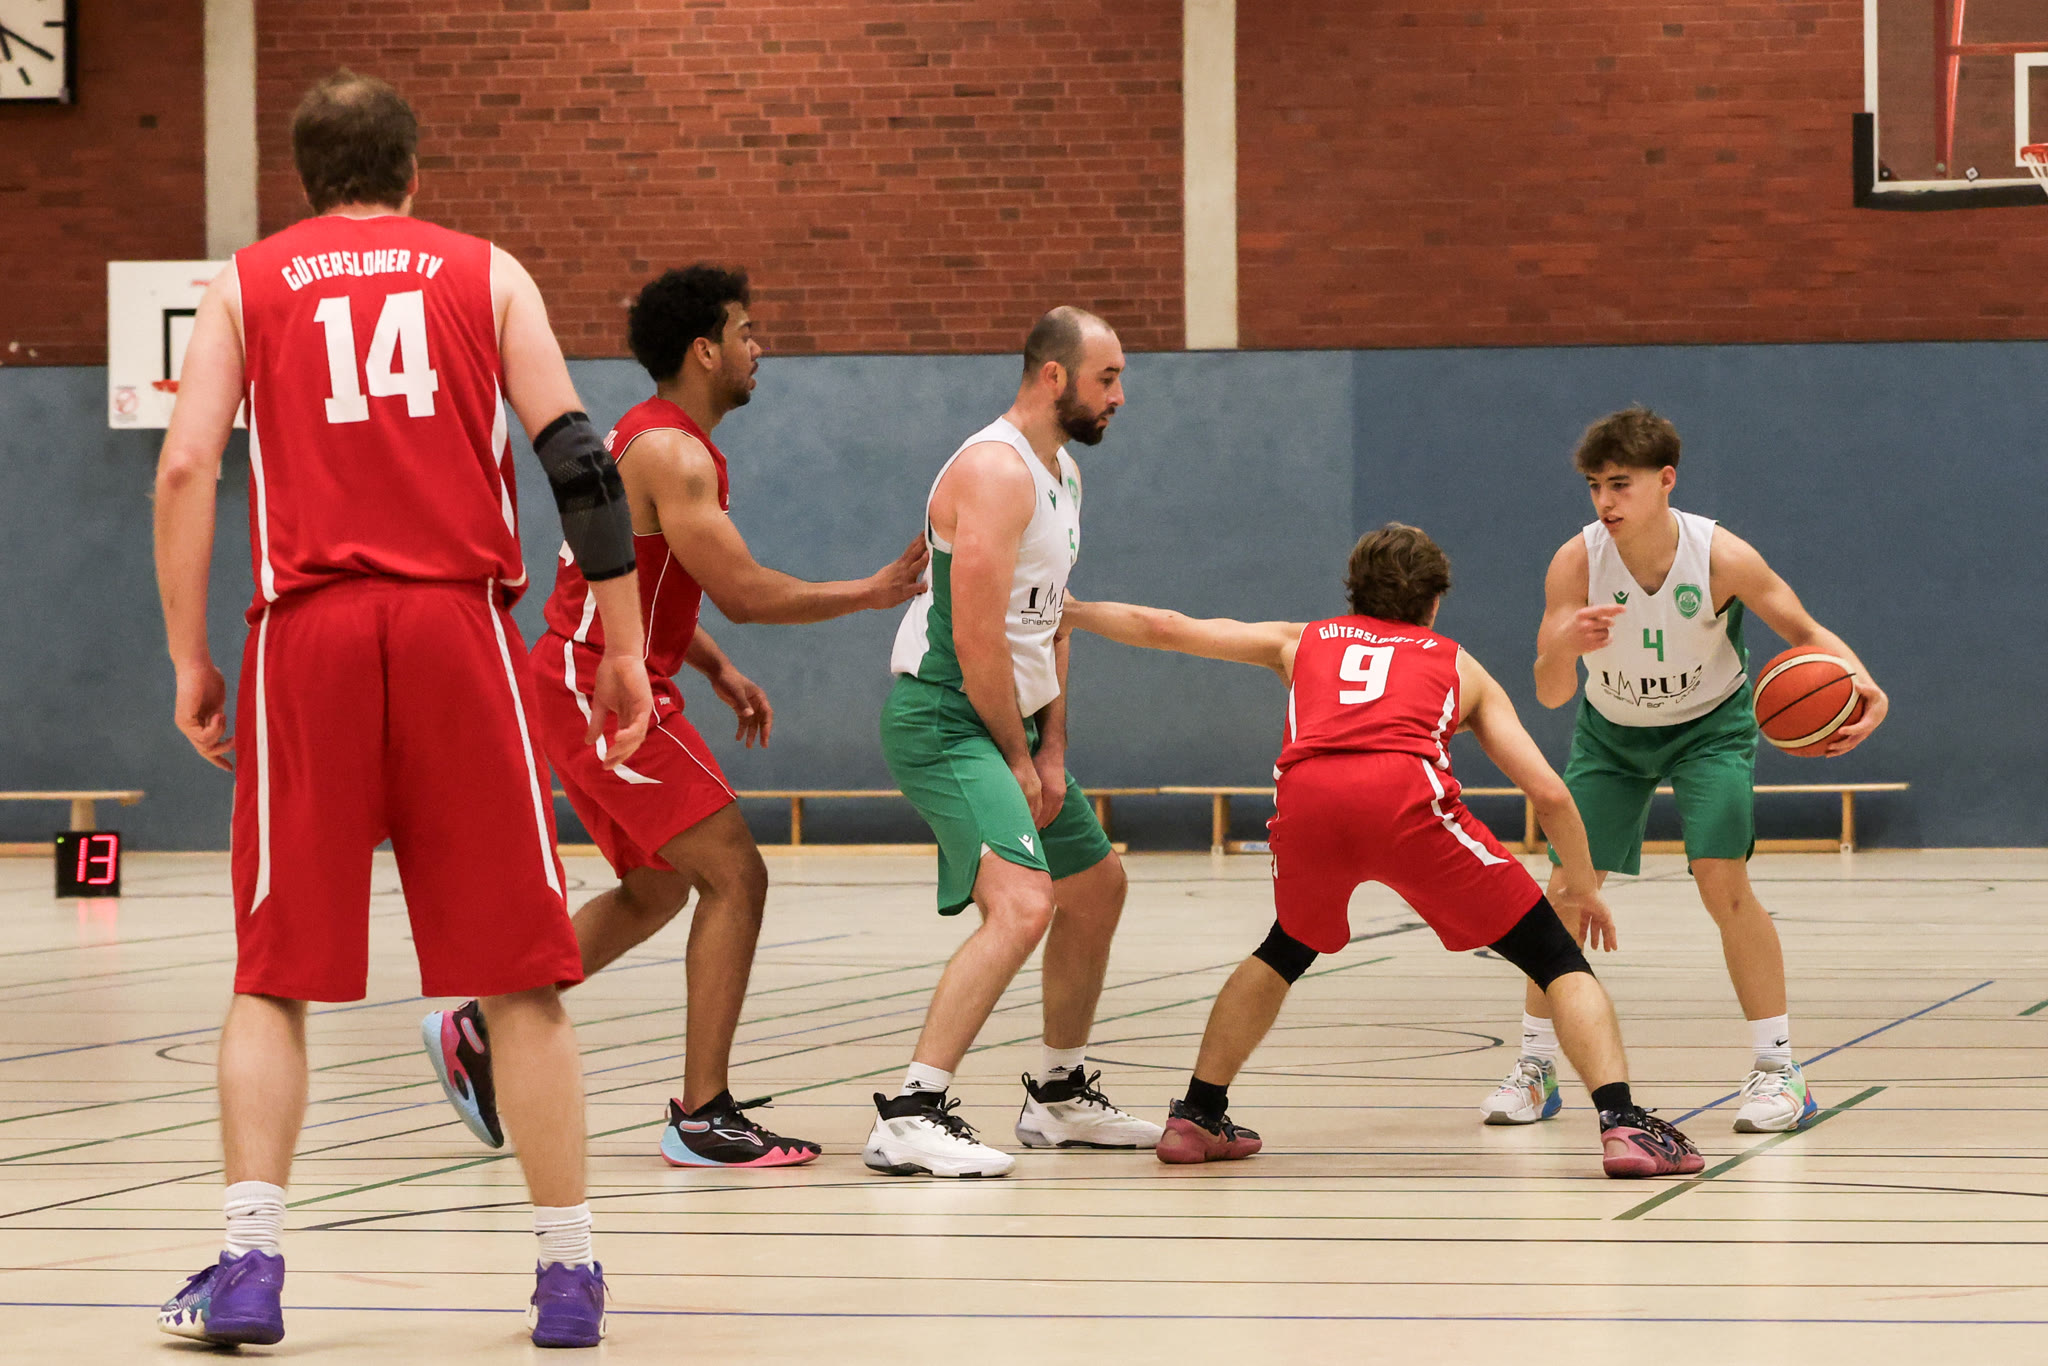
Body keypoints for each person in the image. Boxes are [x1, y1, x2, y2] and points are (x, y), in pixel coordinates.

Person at [150, 71, 652, 1350]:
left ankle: (250, 1264)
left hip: (306, 636)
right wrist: (625, 643)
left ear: (303, 177)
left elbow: (188, 463)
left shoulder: (246, 282)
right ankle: (567, 1277)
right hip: (456, 631)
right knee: (522, 973)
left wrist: (188, 657)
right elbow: (580, 462)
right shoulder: (487, 273)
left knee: (273, 974)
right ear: (414, 171)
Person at [420, 264, 928, 1168]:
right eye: (745, 331)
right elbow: (745, 592)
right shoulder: (673, 455)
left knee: (657, 888)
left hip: (584, 676)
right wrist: (874, 590)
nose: (757, 347)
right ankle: (702, 1115)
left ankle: (483, 1028)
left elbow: (639, 581)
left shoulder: (648, 436)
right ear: (705, 350)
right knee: (737, 875)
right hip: (599, 687)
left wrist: (716, 667)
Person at [1063, 524, 1706, 1179]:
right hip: (1404, 799)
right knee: (1554, 957)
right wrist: (1581, 885)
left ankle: (1198, 1115)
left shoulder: (1301, 640)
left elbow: (1166, 627)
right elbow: (1549, 793)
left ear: (1353, 590)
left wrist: (1076, 612)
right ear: (1434, 602)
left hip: (1309, 799)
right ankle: (1624, 1123)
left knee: (1284, 948)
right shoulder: (1458, 664)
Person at [1479, 408, 1888, 1135]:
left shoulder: (1721, 555)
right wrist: (1563, 647)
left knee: (1723, 883)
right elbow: (1549, 693)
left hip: (1711, 730)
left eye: (1621, 484)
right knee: (1566, 891)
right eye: (1595, 486)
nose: (1605, 501)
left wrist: (1864, 683)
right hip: (1612, 734)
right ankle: (1537, 1067)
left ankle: (1779, 1070)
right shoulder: (1576, 562)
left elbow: (1804, 631)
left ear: (1666, 479)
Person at [862, 307, 1162, 1178]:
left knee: (1096, 887)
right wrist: (1020, 758)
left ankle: (1059, 1097)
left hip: (1012, 722)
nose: (1120, 396)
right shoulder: (994, 470)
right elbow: (977, 639)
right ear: (1055, 376)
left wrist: (1052, 750)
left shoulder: (1063, 473)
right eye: (1109, 377)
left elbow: (1050, 625)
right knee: (1025, 904)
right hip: (946, 717)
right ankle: (911, 1113)